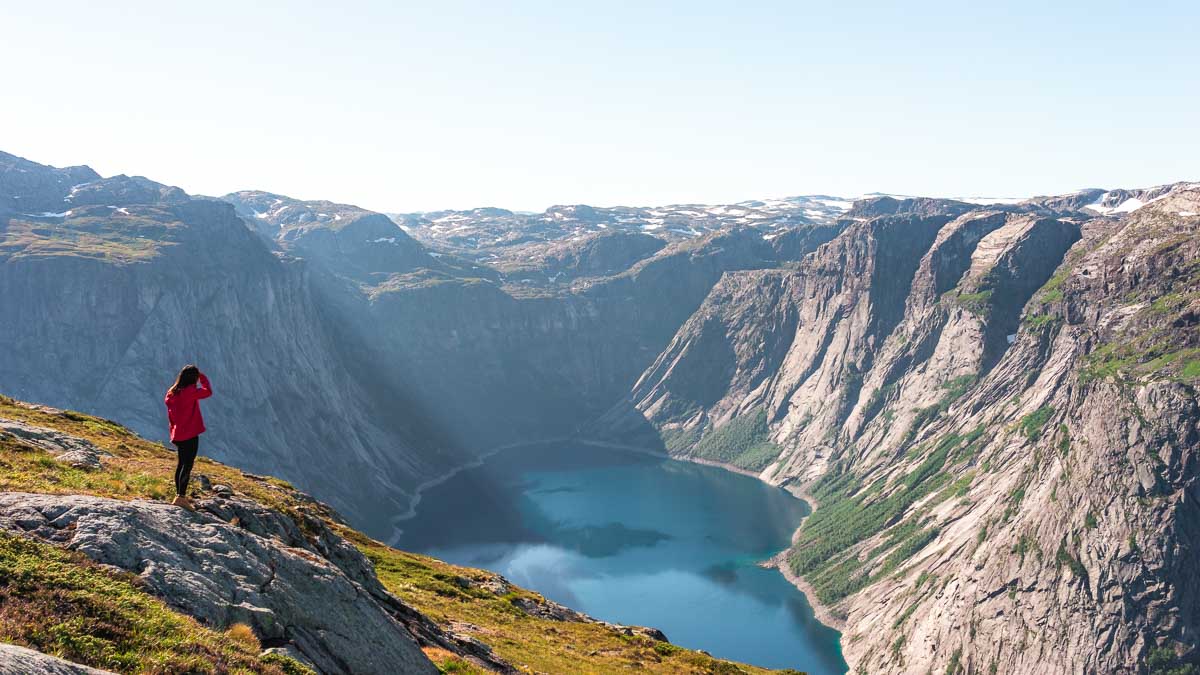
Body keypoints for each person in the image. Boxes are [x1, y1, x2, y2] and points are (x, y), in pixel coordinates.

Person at [164, 364, 212, 510]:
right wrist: (202, 377)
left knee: (181, 464)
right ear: (193, 378)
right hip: (190, 433)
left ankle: (179, 495)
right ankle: (181, 497)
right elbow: (208, 391)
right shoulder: (190, 392)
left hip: (177, 434)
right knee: (188, 465)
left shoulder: (171, 393)